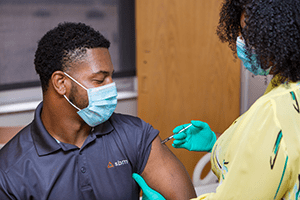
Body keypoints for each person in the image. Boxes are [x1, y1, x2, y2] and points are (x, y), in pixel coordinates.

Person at [0, 22, 196, 200]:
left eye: (111, 77)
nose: (112, 87)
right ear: (61, 83)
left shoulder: (134, 134)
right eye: (100, 80)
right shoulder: (10, 171)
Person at [133, 0, 300, 199]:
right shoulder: (285, 88)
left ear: (279, 35)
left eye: (247, 34)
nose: (240, 40)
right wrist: (217, 141)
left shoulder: (274, 110)